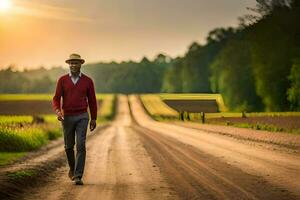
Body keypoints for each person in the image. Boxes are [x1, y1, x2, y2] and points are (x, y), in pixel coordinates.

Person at [52, 53, 97, 185]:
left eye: (76, 63)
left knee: (81, 144)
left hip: (82, 116)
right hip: (67, 117)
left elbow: (92, 101)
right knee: (68, 147)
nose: (73, 65)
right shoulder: (62, 80)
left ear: (80, 64)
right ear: (68, 64)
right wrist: (58, 111)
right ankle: (72, 168)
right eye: (71, 63)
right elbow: (56, 98)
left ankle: (78, 175)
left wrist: (93, 118)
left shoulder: (88, 81)